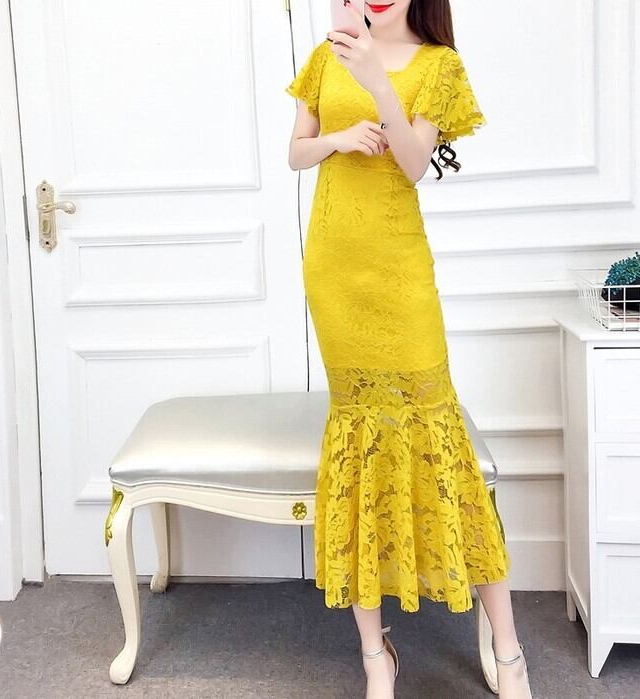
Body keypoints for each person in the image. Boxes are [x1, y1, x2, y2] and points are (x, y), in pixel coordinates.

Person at [285, 2, 533, 698]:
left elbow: (417, 162)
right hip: (334, 268)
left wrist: (377, 81)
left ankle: (509, 649)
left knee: (439, 435)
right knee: (357, 440)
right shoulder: (326, 55)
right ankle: (376, 654)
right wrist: (338, 139)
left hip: (397, 270)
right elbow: (295, 152)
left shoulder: (438, 65)